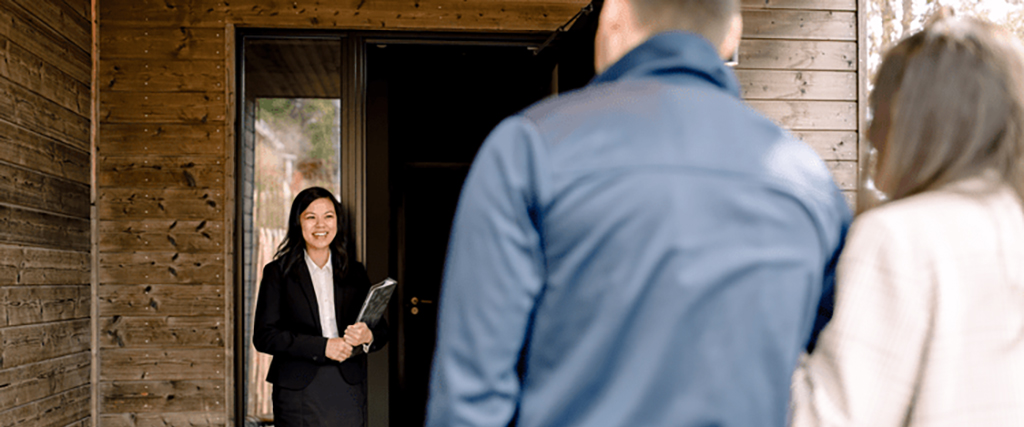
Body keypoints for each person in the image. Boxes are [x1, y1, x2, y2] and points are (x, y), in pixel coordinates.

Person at [425, 0, 851, 425]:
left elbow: (471, 397)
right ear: (733, 34)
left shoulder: (529, 150)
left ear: (613, 18)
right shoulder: (809, 181)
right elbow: (843, 370)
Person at [790, 15, 1024, 427]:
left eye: (877, 102)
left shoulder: (900, 236)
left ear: (914, 117)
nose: (871, 130)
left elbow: (831, 419)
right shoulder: (1010, 219)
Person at [253, 187, 388, 427]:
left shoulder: (354, 272)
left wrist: (368, 335)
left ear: (337, 222)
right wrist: (323, 346)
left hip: (347, 386)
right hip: (298, 390)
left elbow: (381, 330)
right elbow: (265, 337)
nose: (320, 225)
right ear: (298, 223)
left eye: (328, 216)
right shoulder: (277, 273)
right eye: (310, 217)